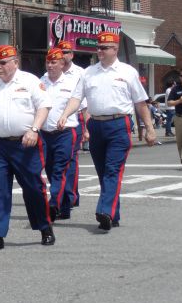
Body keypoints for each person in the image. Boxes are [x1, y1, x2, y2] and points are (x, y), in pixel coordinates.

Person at [58, 31, 155, 231]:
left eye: (104, 48)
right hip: (96, 125)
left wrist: (149, 128)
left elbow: (141, 103)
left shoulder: (128, 72)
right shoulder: (88, 72)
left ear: (115, 49)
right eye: (98, 48)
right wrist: (66, 114)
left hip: (119, 124)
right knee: (103, 172)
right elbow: (76, 98)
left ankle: (104, 211)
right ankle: (114, 214)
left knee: (113, 170)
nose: (99, 51)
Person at [0, 45, 54, 251]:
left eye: (3, 62)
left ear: (15, 62)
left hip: (25, 143)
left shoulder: (30, 81)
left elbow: (44, 107)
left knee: (34, 188)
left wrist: (35, 130)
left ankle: (44, 227)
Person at [40, 48, 79, 222]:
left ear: (62, 64)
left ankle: (54, 202)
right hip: (45, 133)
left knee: (60, 170)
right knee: (49, 169)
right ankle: (64, 206)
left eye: (54, 62)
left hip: (65, 133)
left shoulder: (72, 83)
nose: (50, 65)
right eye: (48, 62)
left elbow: (81, 106)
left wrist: (86, 129)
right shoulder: (41, 82)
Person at [56, 40, 87, 208]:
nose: (64, 55)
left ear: (72, 55)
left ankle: (71, 195)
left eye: (67, 52)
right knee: (58, 161)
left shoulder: (80, 73)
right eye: (61, 52)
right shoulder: (51, 73)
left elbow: (85, 103)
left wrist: (87, 128)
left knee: (71, 159)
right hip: (54, 123)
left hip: (76, 119)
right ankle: (65, 194)